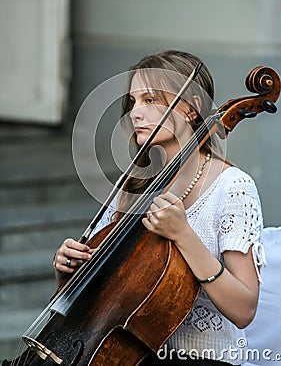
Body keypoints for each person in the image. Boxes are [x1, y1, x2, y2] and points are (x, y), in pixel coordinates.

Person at [53, 51, 266, 366]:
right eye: (133, 102)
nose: (135, 113)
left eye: (150, 100)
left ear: (190, 107)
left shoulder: (233, 187)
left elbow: (244, 309)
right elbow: (101, 296)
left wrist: (183, 235)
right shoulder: (134, 186)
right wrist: (67, 272)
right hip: (126, 354)